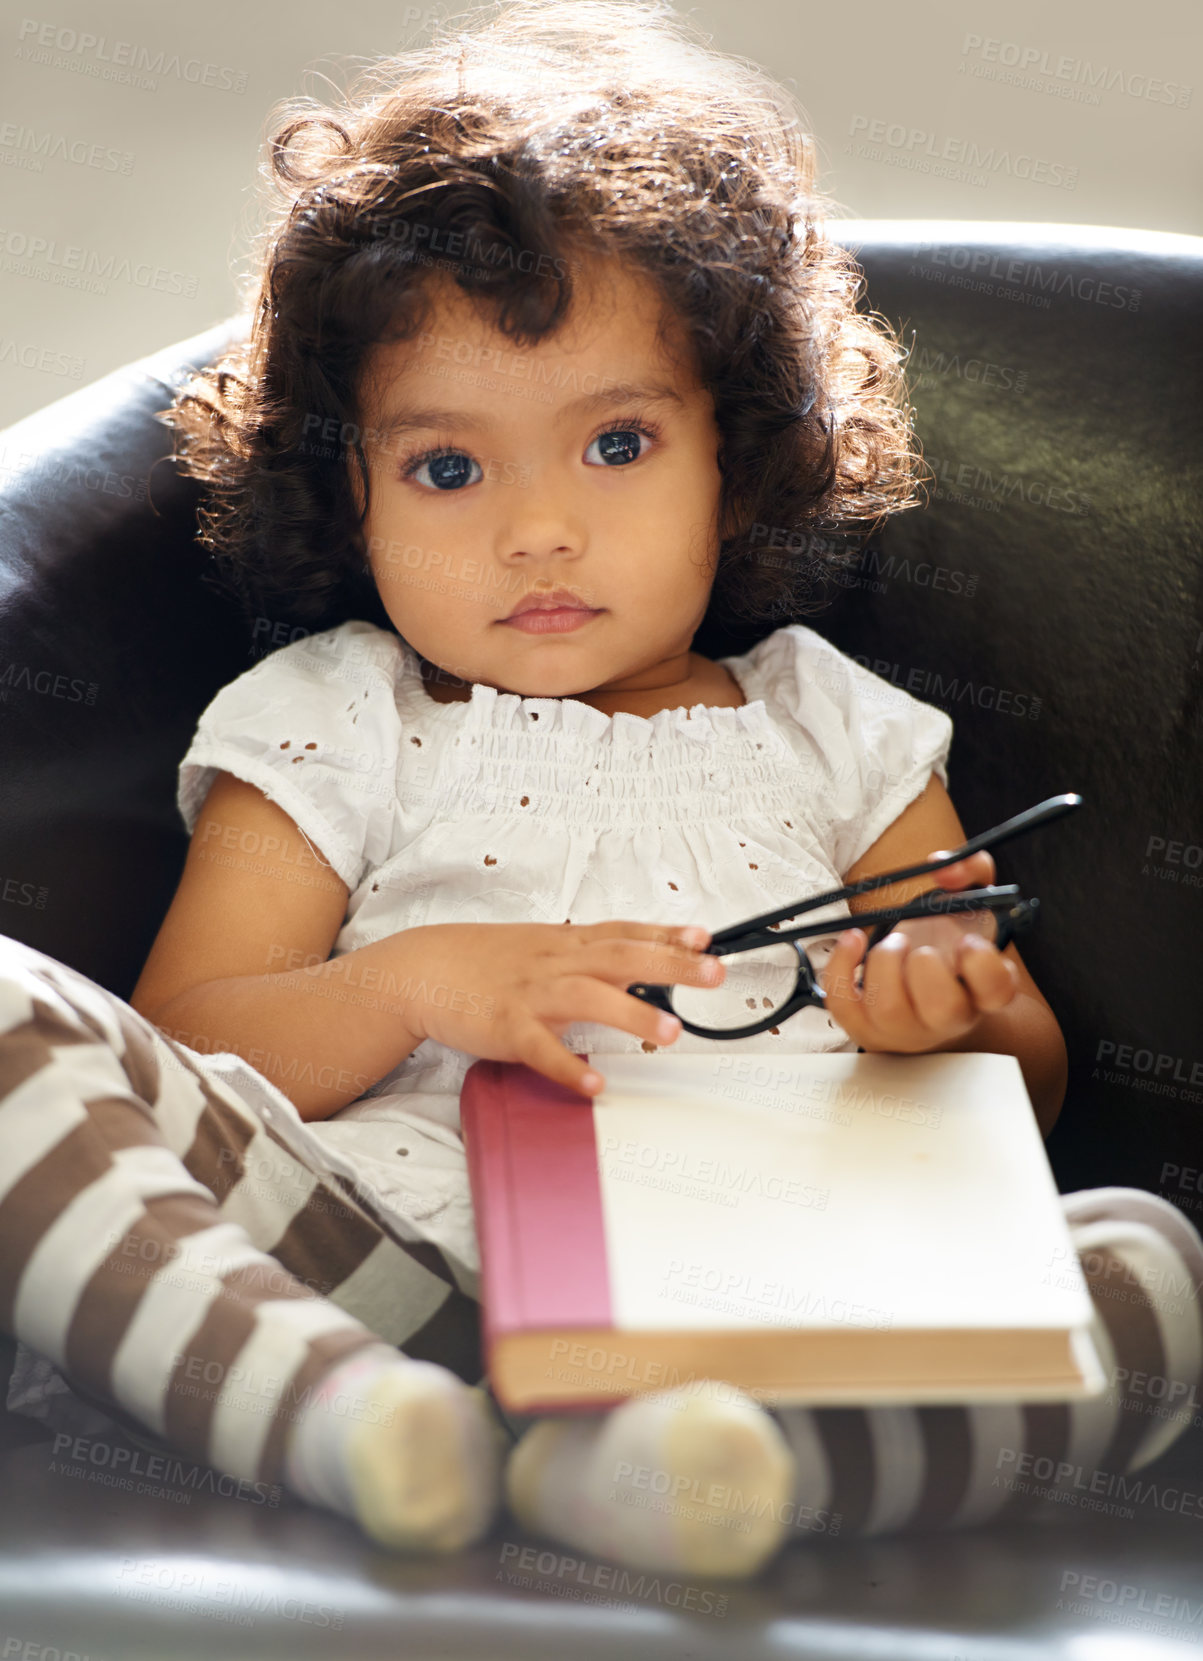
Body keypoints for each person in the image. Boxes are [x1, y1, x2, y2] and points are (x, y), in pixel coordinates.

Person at [2, 0, 1200, 1581]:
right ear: (343, 488)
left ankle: (697, 1473)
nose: (539, 531)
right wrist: (415, 982)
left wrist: (950, 1011)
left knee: (1150, 1260)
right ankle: (349, 1417)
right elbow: (198, 1030)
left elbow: (1023, 1084)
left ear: (744, 453)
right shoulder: (338, 716)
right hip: (373, 1270)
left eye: (617, 443)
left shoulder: (841, 728)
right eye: (449, 467)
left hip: (768, 1313)